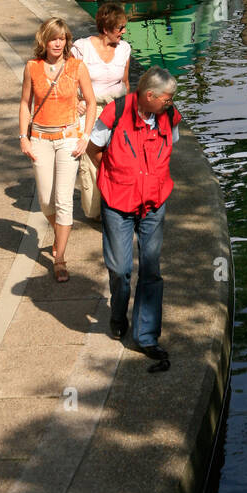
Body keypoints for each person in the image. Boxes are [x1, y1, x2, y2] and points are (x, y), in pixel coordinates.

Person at [86, 66, 181, 370]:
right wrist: (115, 176)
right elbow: (93, 148)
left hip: (154, 203)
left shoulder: (169, 116)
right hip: (118, 202)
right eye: (167, 98)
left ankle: (146, 336)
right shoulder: (115, 113)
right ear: (149, 95)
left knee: (151, 269)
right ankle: (118, 313)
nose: (171, 102)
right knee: (120, 269)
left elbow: (170, 147)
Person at [19, 18, 96, 282]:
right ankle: (59, 231)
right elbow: (24, 103)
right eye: (53, 38)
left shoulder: (77, 67)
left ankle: (60, 257)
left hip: (67, 139)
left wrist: (85, 136)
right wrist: (23, 138)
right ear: (44, 40)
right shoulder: (32, 67)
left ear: (67, 42)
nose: (58, 43)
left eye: (62, 39)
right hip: (40, 138)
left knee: (64, 201)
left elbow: (91, 101)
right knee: (45, 200)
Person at [72, 2, 131, 221]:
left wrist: (130, 109)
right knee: (92, 160)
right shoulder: (81, 48)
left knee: (118, 158)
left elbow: (124, 81)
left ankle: (116, 206)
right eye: (120, 28)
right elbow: (68, 79)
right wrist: (73, 101)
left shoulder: (124, 49)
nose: (124, 32)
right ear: (106, 29)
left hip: (116, 108)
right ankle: (96, 210)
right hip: (91, 109)